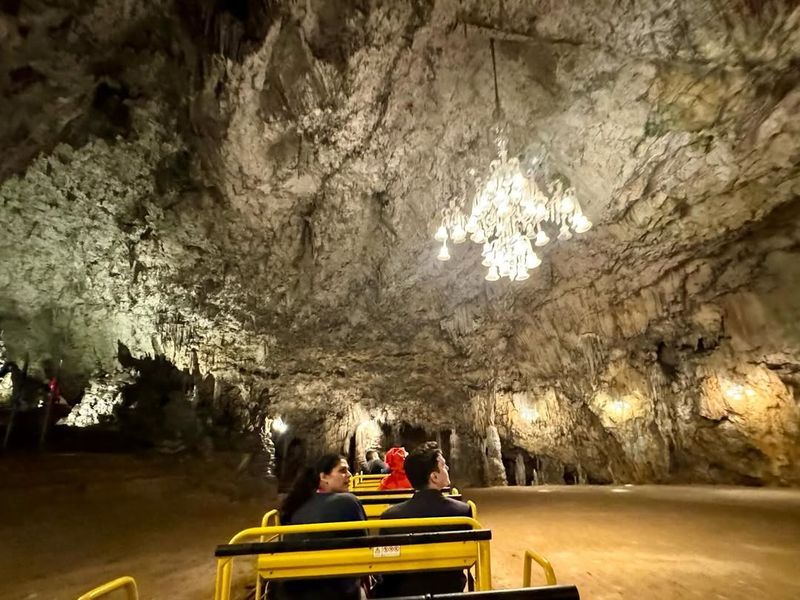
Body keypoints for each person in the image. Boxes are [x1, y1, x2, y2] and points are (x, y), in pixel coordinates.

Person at [373, 442, 472, 598]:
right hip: (450, 591)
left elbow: (386, 568)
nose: (447, 469)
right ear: (434, 476)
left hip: (404, 594)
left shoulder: (390, 517)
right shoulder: (462, 511)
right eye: (444, 465)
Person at [274, 454, 367, 600]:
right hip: (335, 591)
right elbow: (365, 545)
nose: (349, 475)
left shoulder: (297, 504)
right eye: (342, 470)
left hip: (293, 591)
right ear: (323, 477)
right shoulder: (348, 501)